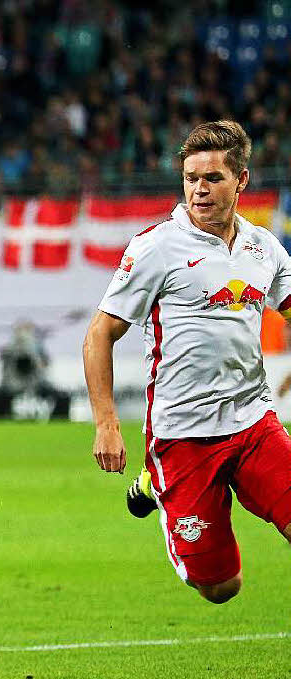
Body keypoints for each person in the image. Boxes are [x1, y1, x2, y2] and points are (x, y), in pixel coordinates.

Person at [84, 120, 291, 605]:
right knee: (221, 587)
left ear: (241, 181)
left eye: (213, 178)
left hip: (253, 422)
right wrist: (107, 424)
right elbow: (99, 335)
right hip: (183, 435)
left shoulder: (265, 250)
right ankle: (156, 478)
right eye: (191, 177)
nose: (200, 189)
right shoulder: (156, 248)